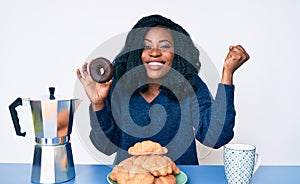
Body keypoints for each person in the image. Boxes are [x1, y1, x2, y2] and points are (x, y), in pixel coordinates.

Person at [76, 14, 250, 165]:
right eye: (147, 46)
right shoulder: (118, 86)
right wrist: (98, 104)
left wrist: (227, 74)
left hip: (182, 181)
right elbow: (105, 146)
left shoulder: (190, 85)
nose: (155, 52)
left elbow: (215, 137)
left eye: (165, 46)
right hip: (129, 182)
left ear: (178, 53)